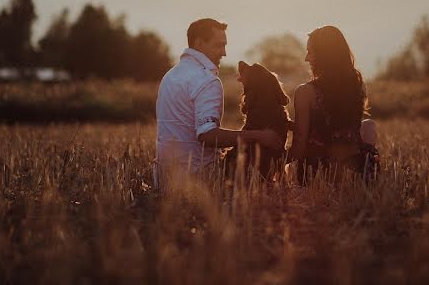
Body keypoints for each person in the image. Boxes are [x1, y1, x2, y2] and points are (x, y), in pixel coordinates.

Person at [155, 18, 282, 185]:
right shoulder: (206, 80)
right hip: (199, 178)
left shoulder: (170, 76)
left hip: (164, 178)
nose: (224, 52)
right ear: (199, 43)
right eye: (219, 45)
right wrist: (260, 136)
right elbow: (207, 135)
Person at [289, 25, 379, 181]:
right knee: (369, 125)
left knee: (368, 124)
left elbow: (300, 144)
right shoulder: (359, 87)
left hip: (318, 174)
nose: (306, 58)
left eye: (311, 52)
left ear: (325, 55)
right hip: (352, 168)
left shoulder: (305, 92)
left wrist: (276, 162)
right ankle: (361, 175)